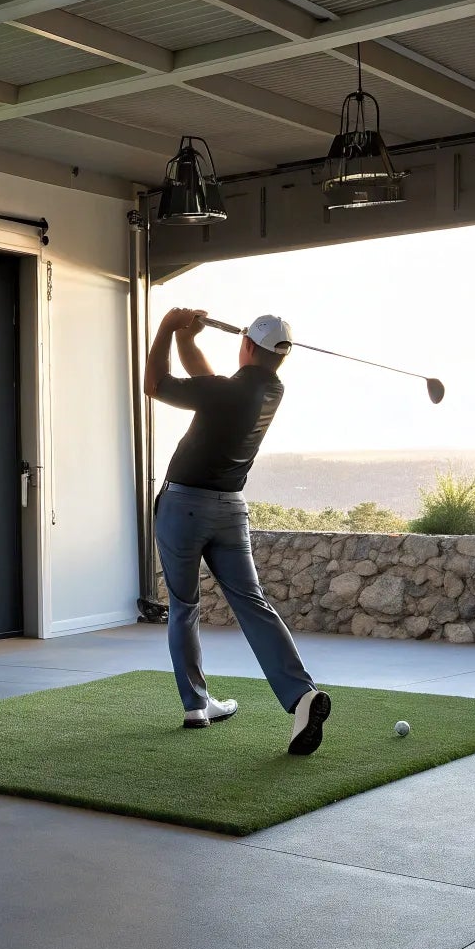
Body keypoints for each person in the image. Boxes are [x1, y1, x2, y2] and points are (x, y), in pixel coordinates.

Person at [145, 307, 330, 756]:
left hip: (184, 506)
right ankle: (301, 695)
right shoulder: (270, 389)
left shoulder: (225, 392)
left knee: (185, 606)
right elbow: (207, 381)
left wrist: (169, 328)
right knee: (253, 603)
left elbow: (155, 385)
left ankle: (195, 704)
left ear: (246, 345)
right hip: (230, 509)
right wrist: (191, 339)